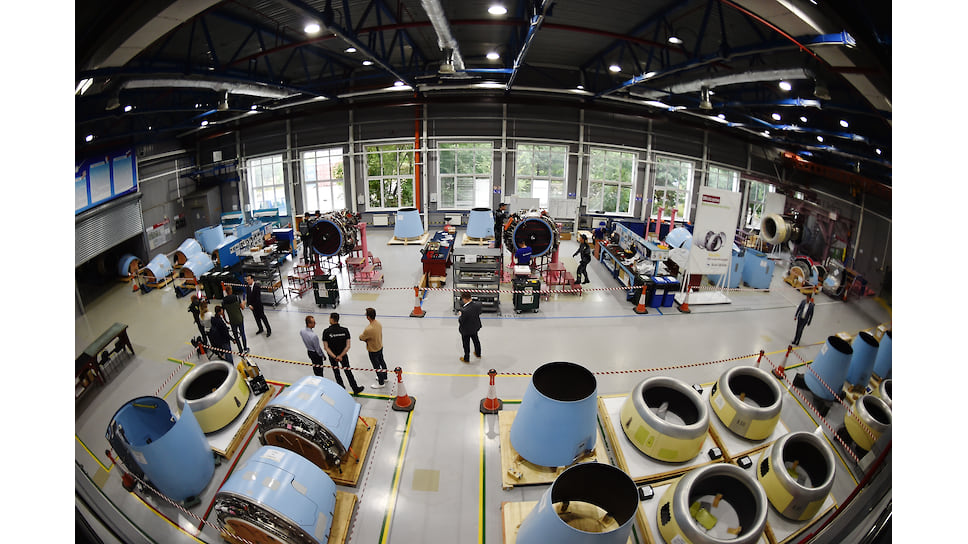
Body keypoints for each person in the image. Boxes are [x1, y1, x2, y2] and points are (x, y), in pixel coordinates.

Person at [322, 312, 364, 395]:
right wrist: (341, 356)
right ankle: (355, 388)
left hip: (332, 356)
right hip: (343, 355)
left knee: (336, 372)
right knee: (348, 371)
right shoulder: (345, 330)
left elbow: (326, 347)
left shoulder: (326, 332)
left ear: (331, 319)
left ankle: (341, 389)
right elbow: (348, 346)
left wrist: (335, 357)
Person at [359, 307, 388, 388]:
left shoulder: (368, 329)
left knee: (376, 366)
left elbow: (361, 337)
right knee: (382, 362)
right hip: (380, 346)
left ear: (368, 317)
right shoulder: (378, 323)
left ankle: (381, 383)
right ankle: (385, 377)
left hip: (373, 350)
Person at [457, 292, 483, 363]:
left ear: (464, 299)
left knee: (466, 344)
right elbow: (479, 312)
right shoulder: (478, 305)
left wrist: (460, 315)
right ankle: (478, 354)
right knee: (476, 340)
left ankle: (466, 358)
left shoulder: (464, 310)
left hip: (466, 330)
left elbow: (461, 321)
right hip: (475, 327)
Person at [222, 284, 248, 353]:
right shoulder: (236, 297)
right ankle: (245, 348)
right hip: (239, 319)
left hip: (232, 321)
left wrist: (226, 320)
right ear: (231, 290)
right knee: (242, 333)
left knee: (236, 336)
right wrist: (244, 302)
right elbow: (242, 307)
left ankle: (240, 350)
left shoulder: (224, 301)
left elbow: (222, 313)